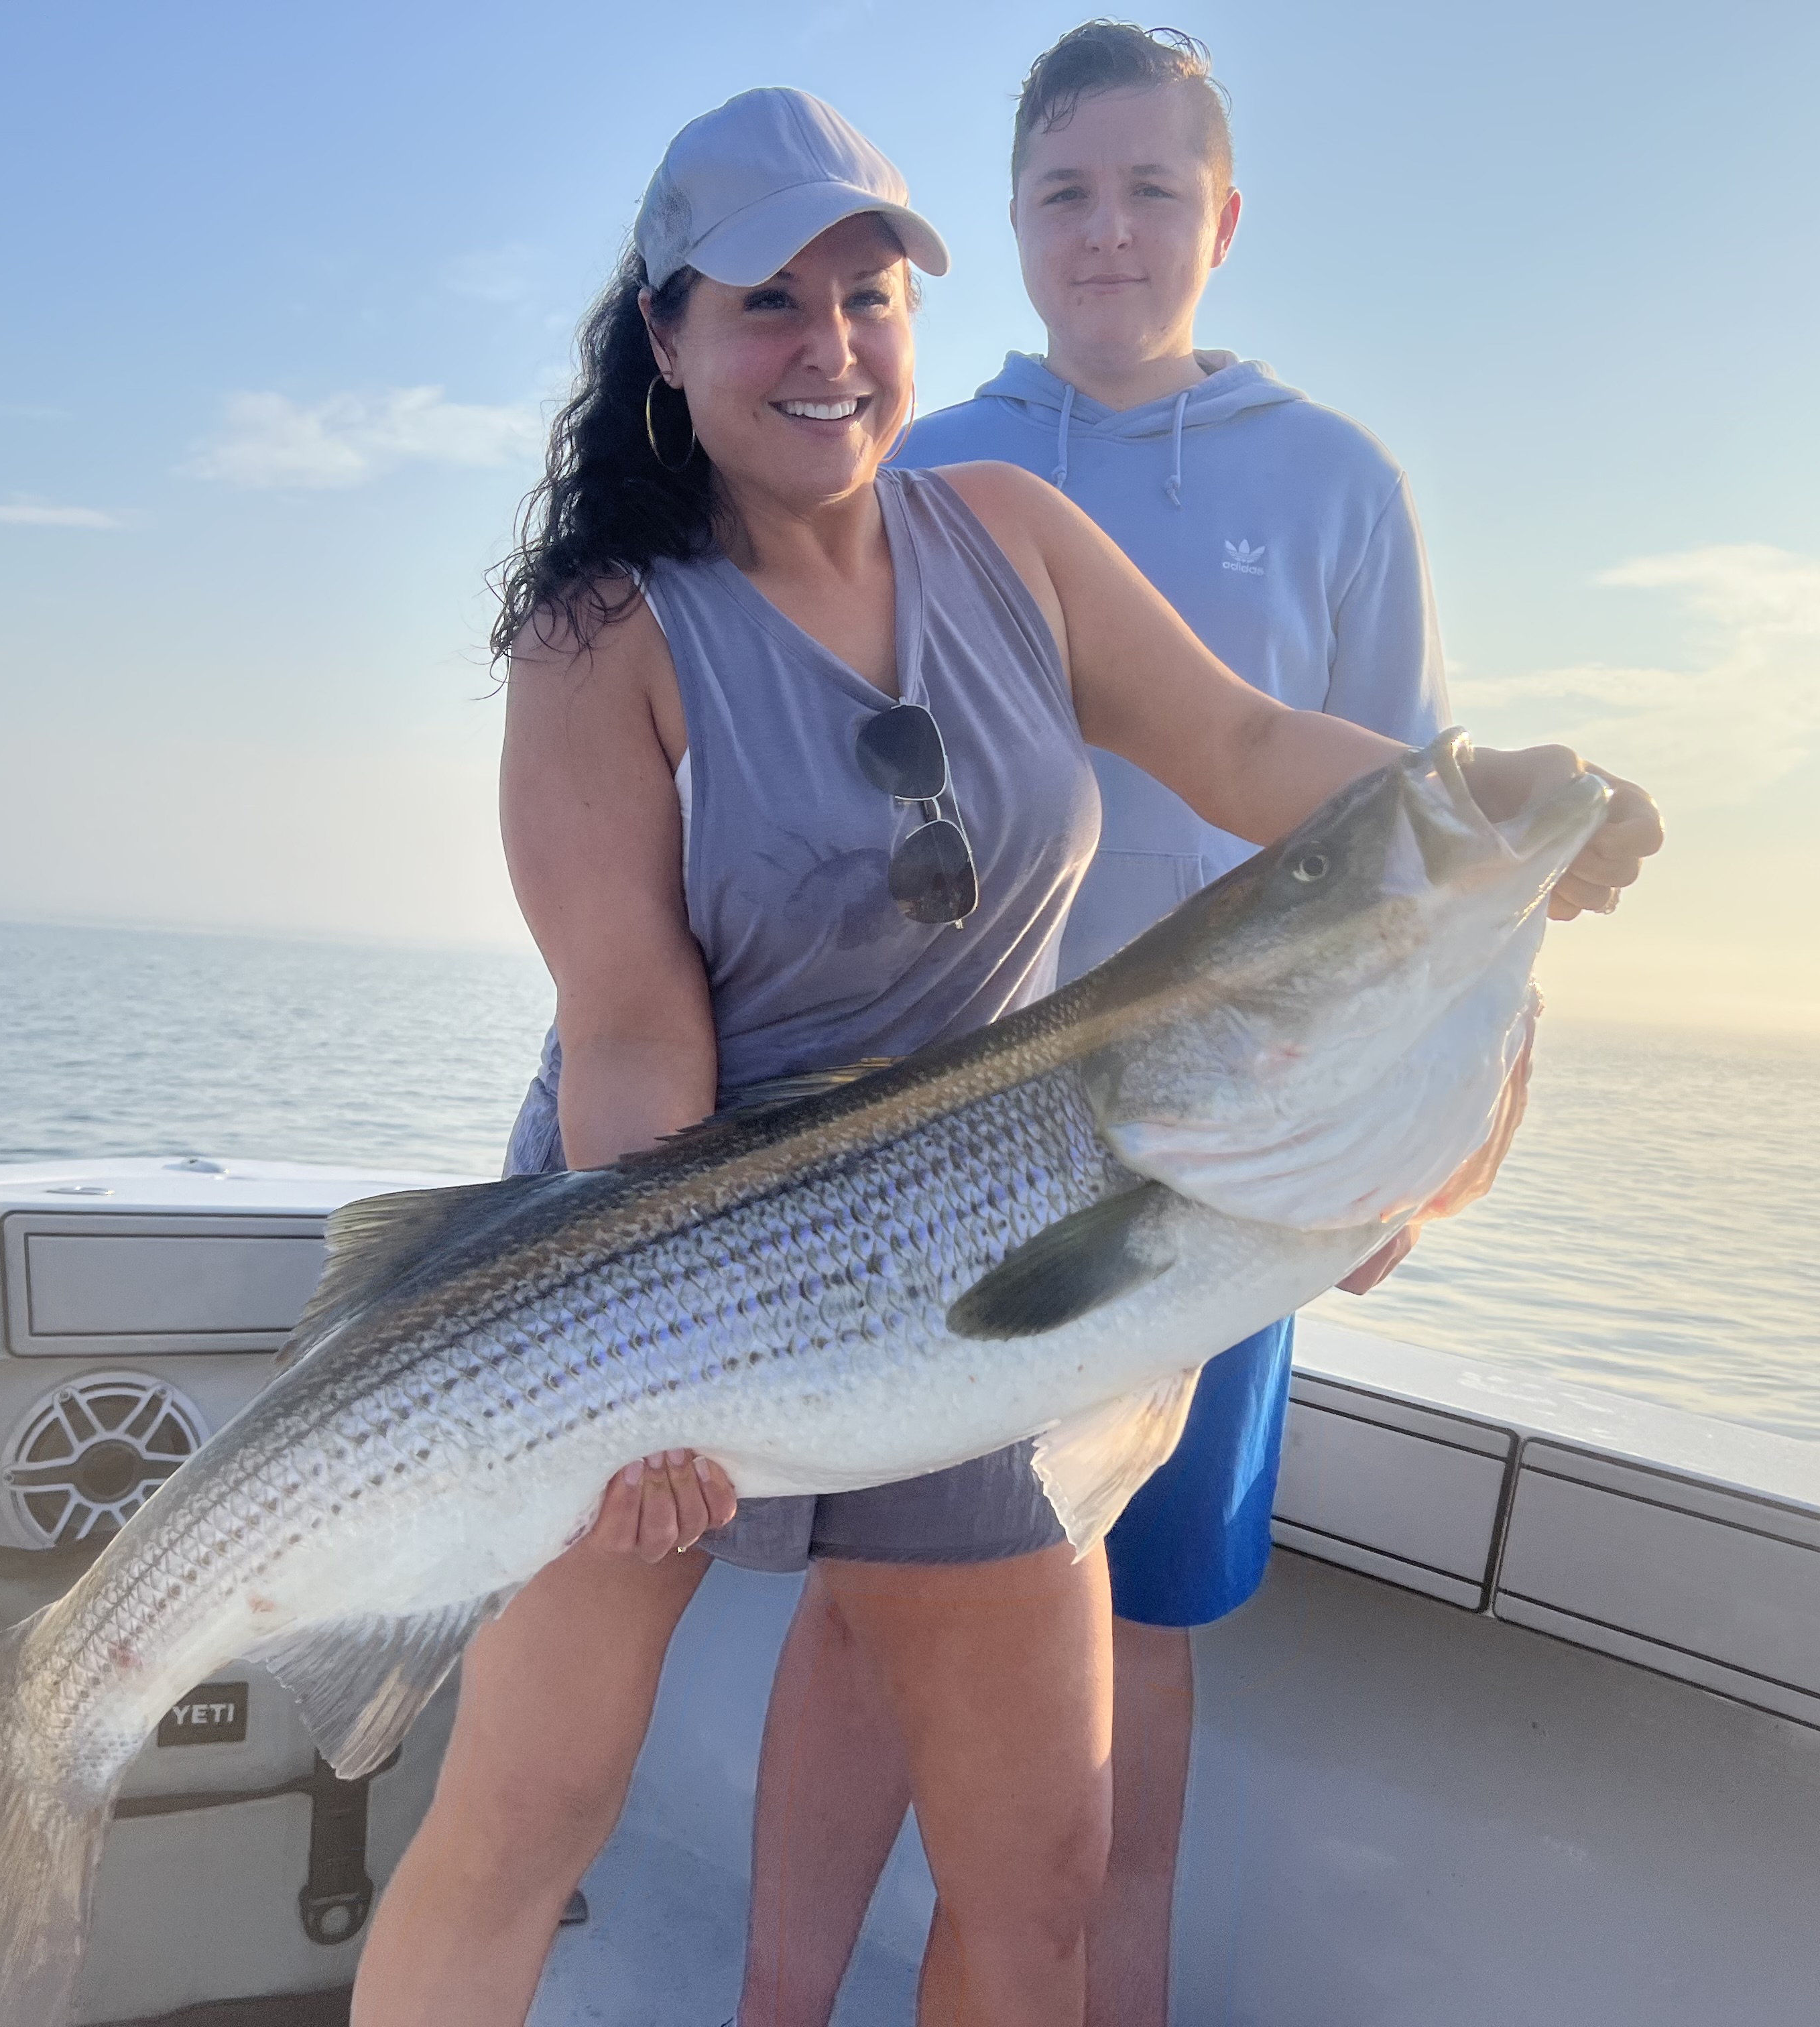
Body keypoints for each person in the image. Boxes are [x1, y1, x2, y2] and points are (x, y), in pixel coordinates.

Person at [351, 84, 1661, 2027]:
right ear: (667, 337)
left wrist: (1481, 805)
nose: (828, 349)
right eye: (766, 305)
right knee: (519, 1826)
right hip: (645, 1250)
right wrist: (641, 1398)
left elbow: (1235, 749)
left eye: (868, 296)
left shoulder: (1013, 539)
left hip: (990, 1222)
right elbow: (632, 1039)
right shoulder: (598, 637)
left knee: (1040, 1885)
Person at [735, 27, 1515, 2027]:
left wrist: (1460, 1127)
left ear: (1223, 218)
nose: (1108, 231)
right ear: (1008, 225)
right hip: (934, 1149)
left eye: (1152, 189)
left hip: (1229, 1156)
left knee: (1142, 1628)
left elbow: (1426, 846)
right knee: (854, 1618)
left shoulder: (1339, 485)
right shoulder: (923, 471)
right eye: (1067, 192)